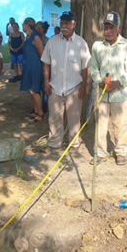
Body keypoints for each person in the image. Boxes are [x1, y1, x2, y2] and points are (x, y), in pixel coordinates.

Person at [90, 11, 127, 165]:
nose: (108, 31)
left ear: (119, 27)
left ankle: (121, 153)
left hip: (120, 93)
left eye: (112, 27)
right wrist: (100, 82)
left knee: (120, 123)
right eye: (106, 27)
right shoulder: (97, 45)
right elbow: (94, 67)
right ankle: (100, 153)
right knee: (101, 124)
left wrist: (118, 83)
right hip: (102, 93)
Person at [41, 12, 90, 150]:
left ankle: (74, 143)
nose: (63, 26)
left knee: (74, 118)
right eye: (62, 23)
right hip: (55, 87)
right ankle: (54, 143)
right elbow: (46, 63)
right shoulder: (52, 41)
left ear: (74, 24)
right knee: (54, 118)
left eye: (67, 23)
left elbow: (85, 67)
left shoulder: (81, 43)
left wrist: (83, 87)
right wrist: (46, 82)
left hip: (74, 88)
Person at [20, 18, 46, 121]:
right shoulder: (28, 37)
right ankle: (35, 111)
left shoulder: (35, 37)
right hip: (28, 66)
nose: (22, 26)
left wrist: (44, 68)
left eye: (23, 24)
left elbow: (42, 54)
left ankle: (41, 113)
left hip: (35, 66)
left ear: (27, 24)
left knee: (34, 90)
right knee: (30, 90)